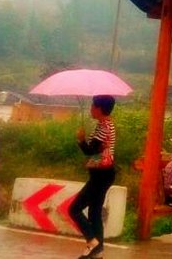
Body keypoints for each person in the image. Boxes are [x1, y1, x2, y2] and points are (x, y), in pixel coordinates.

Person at [69, 95, 117, 259]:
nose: (90, 109)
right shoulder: (105, 124)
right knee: (94, 213)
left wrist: (81, 140)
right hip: (103, 173)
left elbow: (90, 151)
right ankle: (98, 251)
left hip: (101, 175)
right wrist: (89, 145)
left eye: (92, 106)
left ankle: (92, 242)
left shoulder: (104, 127)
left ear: (99, 108)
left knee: (74, 209)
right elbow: (96, 149)